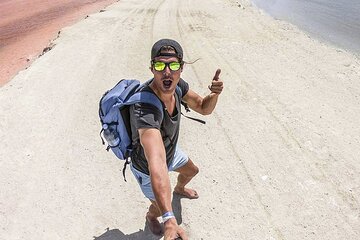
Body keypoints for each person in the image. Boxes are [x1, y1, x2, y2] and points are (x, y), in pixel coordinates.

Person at [129, 38, 223, 240]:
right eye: (160, 65)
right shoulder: (144, 108)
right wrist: (169, 218)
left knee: (192, 170)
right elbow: (156, 161)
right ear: (152, 68)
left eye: (173, 65)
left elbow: (204, 107)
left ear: (181, 68)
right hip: (146, 167)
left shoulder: (178, 86)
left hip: (170, 153)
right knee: (160, 204)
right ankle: (151, 216)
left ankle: (180, 188)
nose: (167, 72)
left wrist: (214, 94)